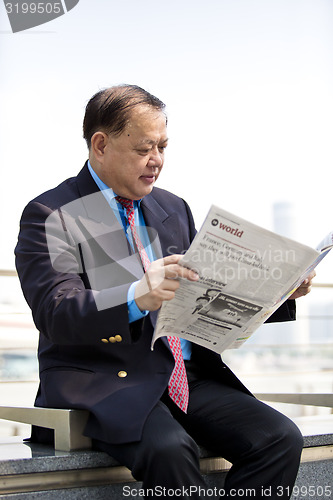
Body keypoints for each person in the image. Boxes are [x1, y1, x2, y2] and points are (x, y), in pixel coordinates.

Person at [15, 84, 315, 499]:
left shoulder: (173, 207)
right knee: (171, 450)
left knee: (279, 437)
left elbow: (203, 291)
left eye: (163, 146)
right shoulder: (51, 213)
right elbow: (56, 312)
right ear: (100, 145)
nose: (156, 161)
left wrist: (279, 292)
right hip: (105, 380)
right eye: (144, 148)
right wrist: (137, 295)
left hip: (185, 376)